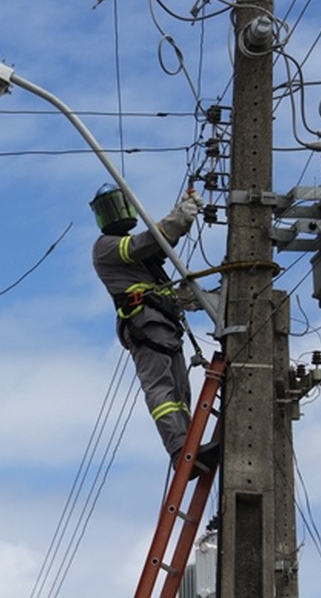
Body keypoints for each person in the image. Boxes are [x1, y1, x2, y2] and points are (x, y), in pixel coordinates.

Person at [89, 183, 216, 474]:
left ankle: (190, 448)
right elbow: (151, 240)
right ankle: (179, 450)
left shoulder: (141, 260)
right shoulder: (106, 247)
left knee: (180, 394)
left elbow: (157, 246)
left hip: (164, 326)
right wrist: (182, 215)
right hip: (145, 325)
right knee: (161, 391)